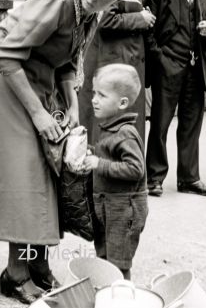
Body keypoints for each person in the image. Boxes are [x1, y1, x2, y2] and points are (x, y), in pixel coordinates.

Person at [0, 0, 140, 305]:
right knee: (26, 177)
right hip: (4, 79)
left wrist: (71, 104)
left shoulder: (93, 14)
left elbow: (67, 62)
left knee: (49, 172)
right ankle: (16, 273)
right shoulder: (56, 2)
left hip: (38, 75)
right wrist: (40, 115)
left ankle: (38, 265)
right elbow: (6, 56)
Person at [143, 0, 206, 197]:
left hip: (196, 72)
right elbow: (148, 34)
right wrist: (162, 61)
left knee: (191, 126)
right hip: (167, 70)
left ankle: (188, 178)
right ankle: (154, 178)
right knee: (160, 125)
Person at [79, 0, 156, 143]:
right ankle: (114, 170)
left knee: (126, 124)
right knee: (113, 124)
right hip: (114, 63)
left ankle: (125, 169)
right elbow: (105, 21)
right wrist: (140, 19)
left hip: (126, 62)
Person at [82, 64, 147, 280]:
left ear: (122, 103)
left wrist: (99, 164)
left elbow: (136, 169)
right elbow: (108, 157)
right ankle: (107, 292)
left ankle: (120, 295)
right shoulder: (109, 127)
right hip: (107, 206)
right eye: (94, 93)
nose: (94, 100)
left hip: (124, 210)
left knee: (118, 262)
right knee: (104, 256)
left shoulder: (125, 133)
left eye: (102, 95)